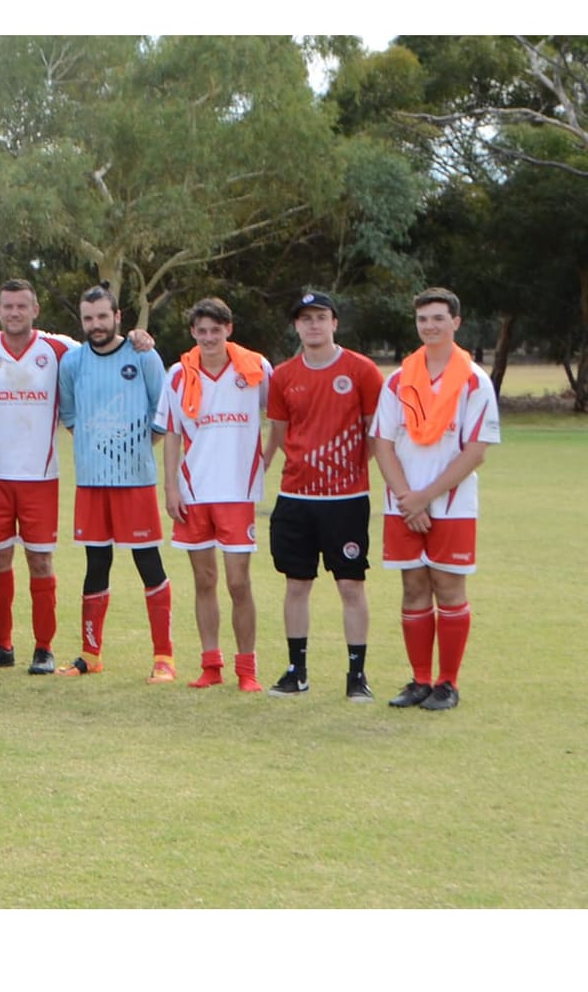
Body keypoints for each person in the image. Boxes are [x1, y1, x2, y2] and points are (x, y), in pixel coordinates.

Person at [0, 278, 154, 674]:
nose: (14, 313)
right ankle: (1, 645)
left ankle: (43, 648)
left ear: (35, 309)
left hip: (42, 475)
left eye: (22, 306)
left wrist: (139, 337)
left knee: (40, 561)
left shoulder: (60, 349)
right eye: (7, 306)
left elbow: (106, 347)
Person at [370, 288, 500, 711]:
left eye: (438, 318)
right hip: (403, 503)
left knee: (448, 586)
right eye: (423, 319)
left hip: (452, 503)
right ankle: (420, 681)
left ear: (456, 323)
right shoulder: (397, 379)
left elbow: (476, 450)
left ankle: (448, 682)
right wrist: (408, 499)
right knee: (413, 587)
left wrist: (426, 497)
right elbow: (383, 444)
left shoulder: (474, 381)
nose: (430, 326)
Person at [264, 291, 384, 702]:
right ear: (296, 326)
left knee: (351, 586)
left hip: (346, 501)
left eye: (321, 317)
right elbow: (279, 434)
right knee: (296, 585)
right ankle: (297, 671)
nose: (313, 325)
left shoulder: (362, 370)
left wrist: (343, 469)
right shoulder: (282, 376)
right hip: (295, 498)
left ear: (334, 323)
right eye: (305, 319)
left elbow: (374, 433)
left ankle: (357, 675)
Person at [54, 283, 174, 682]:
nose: (96, 325)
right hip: (91, 482)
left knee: (148, 562)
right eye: (88, 318)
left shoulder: (143, 355)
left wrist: (133, 451)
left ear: (118, 316)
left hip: (136, 481)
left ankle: (164, 658)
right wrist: (100, 452)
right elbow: (70, 416)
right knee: (96, 564)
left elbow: (163, 413)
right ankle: (91, 654)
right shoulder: (72, 363)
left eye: (103, 317)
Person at [156, 298, 272, 692]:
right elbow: (171, 432)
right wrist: (171, 485)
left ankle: (247, 668)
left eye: (215, 330)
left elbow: (280, 416)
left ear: (228, 329)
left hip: (237, 493)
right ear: (193, 333)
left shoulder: (255, 368)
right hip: (194, 491)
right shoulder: (177, 374)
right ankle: (211, 664)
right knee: (204, 579)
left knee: (239, 583)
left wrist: (267, 458)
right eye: (201, 331)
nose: (208, 337)